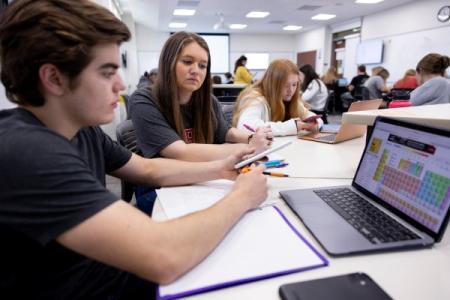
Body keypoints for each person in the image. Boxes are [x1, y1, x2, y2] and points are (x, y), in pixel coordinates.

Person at [0, 1, 268, 299]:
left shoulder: (81, 129)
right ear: (53, 78)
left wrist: (219, 168)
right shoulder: (28, 152)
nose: (120, 84)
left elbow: (146, 168)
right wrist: (242, 197)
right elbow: (164, 255)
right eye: (106, 72)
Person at [232, 59, 322, 136]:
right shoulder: (255, 97)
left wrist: (314, 124)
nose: (291, 90)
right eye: (285, 85)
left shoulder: (290, 98)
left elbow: (312, 116)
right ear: (273, 84)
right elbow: (246, 127)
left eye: (294, 84)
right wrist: (293, 126)